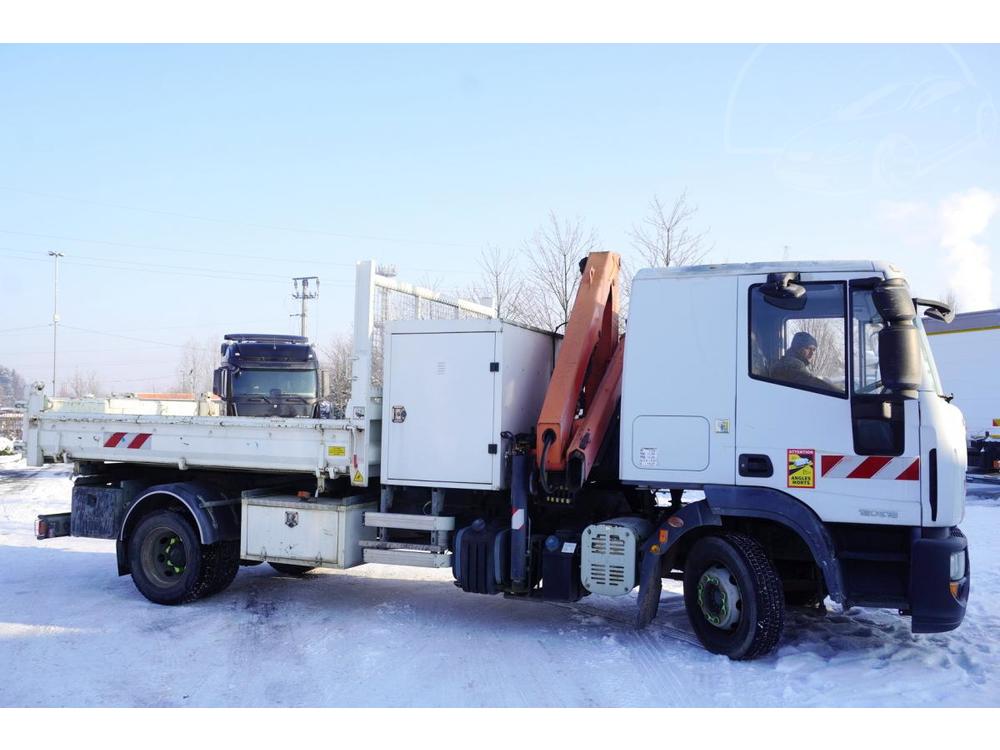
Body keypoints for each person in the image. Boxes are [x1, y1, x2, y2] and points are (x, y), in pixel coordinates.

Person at [769, 331, 838, 392]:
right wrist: (838, 392)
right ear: (797, 348)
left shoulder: (788, 360)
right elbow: (811, 382)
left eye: (814, 350)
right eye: (808, 348)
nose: (812, 353)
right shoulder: (793, 364)